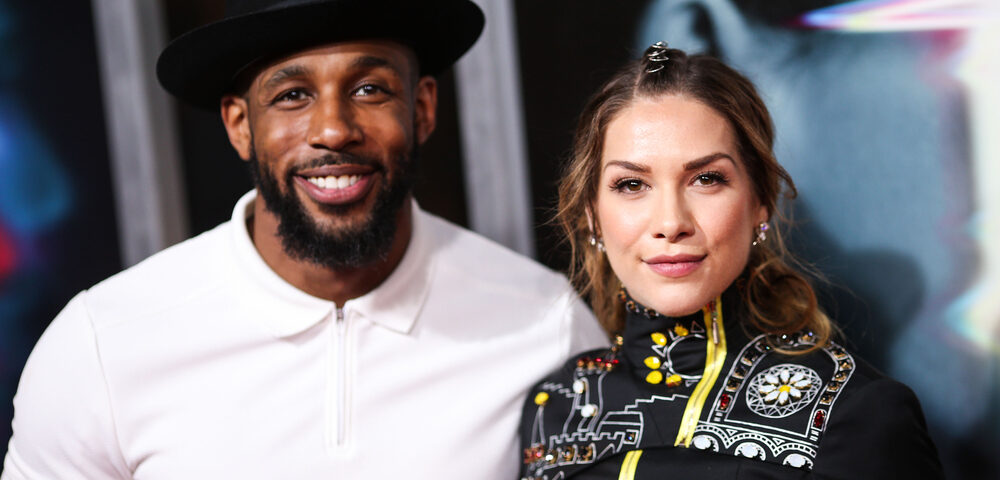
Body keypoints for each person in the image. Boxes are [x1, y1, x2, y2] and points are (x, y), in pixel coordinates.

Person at [2, 0, 608, 478]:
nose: (333, 130)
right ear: (241, 127)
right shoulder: (103, 345)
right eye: (292, 95)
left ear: (422, 108)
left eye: (370, 89)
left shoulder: (543, 325)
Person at [518, 43, 944, 479]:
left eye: (706, 179)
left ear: (760, 201)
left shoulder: (858, 413)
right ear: (592, 213)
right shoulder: (555, 406)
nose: (670, 222)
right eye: (631, 184)